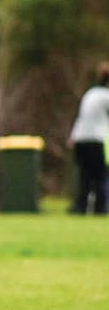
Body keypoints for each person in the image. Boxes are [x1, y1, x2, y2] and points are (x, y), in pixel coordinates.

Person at [68, 61, 109, 215]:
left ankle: (80, 207)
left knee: (84, 176)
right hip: (95, 139)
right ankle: (100, 208)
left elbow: (81, 117)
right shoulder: (106, 96)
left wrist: (72, 136)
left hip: (80, 138)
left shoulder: (90, 94)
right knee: (99, 175)